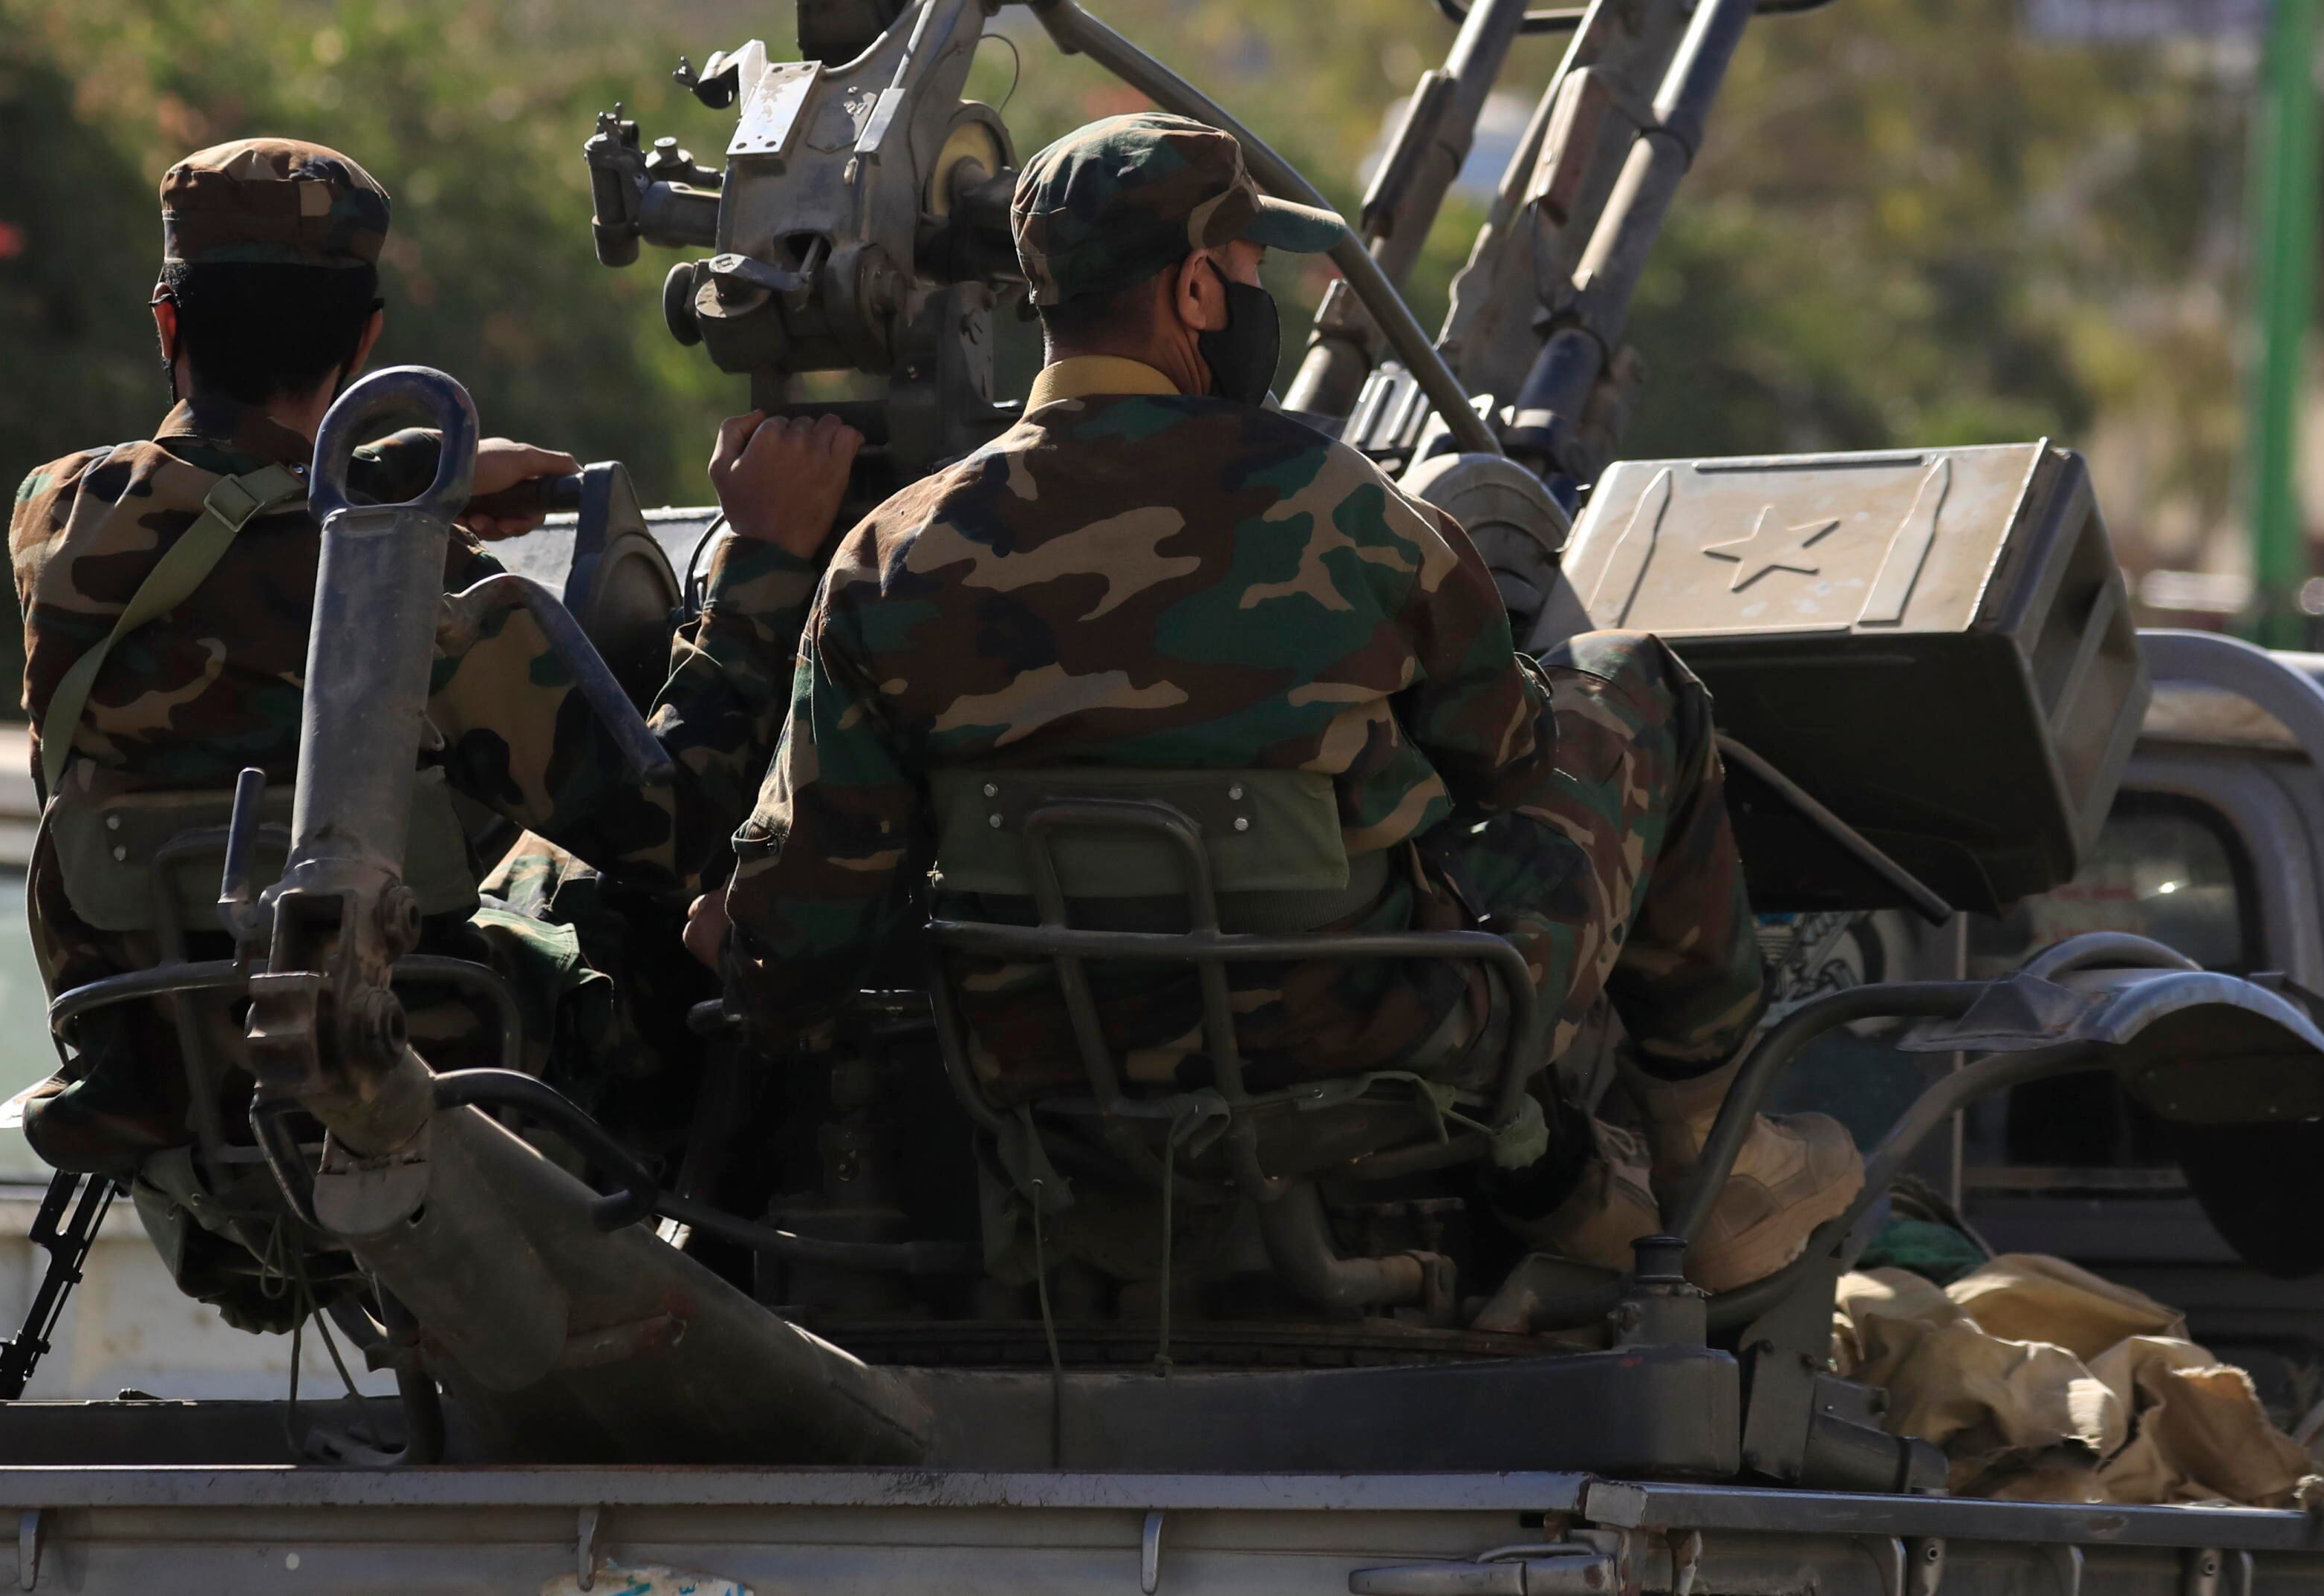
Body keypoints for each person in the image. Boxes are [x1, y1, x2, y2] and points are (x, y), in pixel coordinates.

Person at [708, 111, 1864, 1295]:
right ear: (1201, 290)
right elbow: (1511, 760)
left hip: (1036, 1061)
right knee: (1631, 685)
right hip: (1376, 1044)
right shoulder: (1351, 509)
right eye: (1254, 273)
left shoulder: (887, 554)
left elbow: (802, 927)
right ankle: (1718, 1169)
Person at [10, 135, 859, 1326]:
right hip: (400, 1090)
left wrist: (403, 472)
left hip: (166, 1078)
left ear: (168, 324)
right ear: (365, 341)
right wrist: (766, 562)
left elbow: (216, 509)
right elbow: (678, 824)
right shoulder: (417, 597)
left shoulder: (55, 524)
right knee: (662, 913)